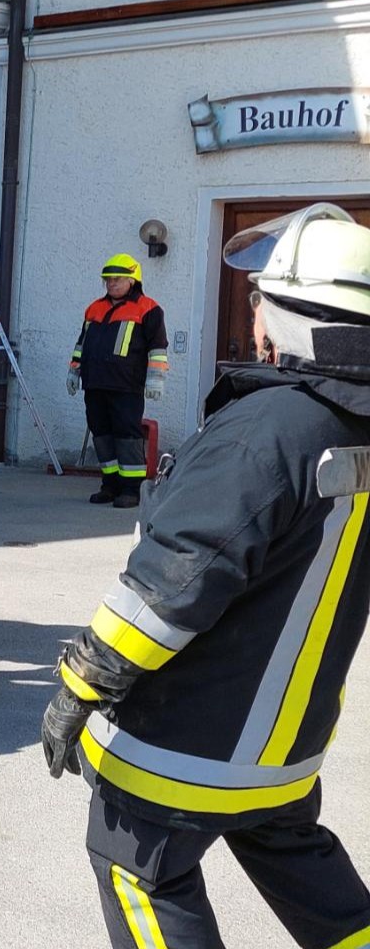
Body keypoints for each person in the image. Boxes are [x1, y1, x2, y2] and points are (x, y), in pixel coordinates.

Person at [41, 202, 370, 949]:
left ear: (282, 316)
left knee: (139, 874)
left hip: (186, 747)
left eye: (259, 299)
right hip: (286, 743)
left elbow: (170, 586)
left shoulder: (268, 431)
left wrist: (81, 685)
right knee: (299, 862)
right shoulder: (350, 425)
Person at [68, 253, 168, 508]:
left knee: (127, 436)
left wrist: (156, 379)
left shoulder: (149, 308)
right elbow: (82, 344)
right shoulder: (94, 308)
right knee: (101, 434)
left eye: (118, 279)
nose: (112, 283)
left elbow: (157, 348)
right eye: (108, 279)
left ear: (132, 281)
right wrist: (74, 370)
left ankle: (132, 490)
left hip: (126, 385)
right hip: (95, 383)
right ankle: (109, 485)